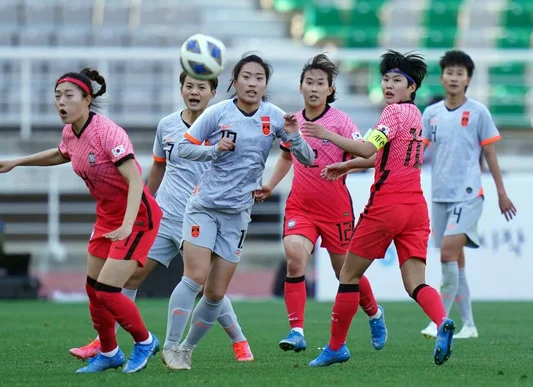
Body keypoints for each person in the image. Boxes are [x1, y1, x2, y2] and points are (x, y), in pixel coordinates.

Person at [0, 68, 162, 374]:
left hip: (137, 216)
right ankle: (109, 353)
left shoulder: (109, 133)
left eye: (68, 96)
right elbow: (63, 153)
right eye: (57, 96)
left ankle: (145, 341)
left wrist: (129, 224)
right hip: (107, 217)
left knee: (107, 290)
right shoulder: (70, 132)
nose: (60, 102)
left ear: (87, 99)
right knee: (93, 289)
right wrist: (17, 162)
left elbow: (134, 180)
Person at [69, 72, 253, 362]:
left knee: (206, 287)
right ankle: (105, 341)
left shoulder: (223, 126)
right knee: (128, 277)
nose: (194, 92)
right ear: (181, 89)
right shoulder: (167, 125)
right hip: (164, 215)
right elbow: (157, 169)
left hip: (199, 216)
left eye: (201, 87)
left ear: (213, 92)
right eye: (189, 86)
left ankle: (239, 340)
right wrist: (145, 206)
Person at [162, 53, 315, 370]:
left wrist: (295, 134)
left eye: (259, 78)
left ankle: (186, 349)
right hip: (204, 207)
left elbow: (309, 158)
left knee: (216, 294)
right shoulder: (217, 113)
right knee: (195, 277)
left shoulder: (274, 117)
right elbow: (183, 147)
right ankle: (170, 346)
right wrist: (213, 150)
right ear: (235, 81)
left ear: (265, 84)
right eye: (247, 76)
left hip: (238, 214)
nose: (253, 83)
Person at [304, 50, 455, 367]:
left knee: (348, 274)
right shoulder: (416, 115)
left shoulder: (393, 113)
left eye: (397, 80)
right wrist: (349, 167)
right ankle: (442, 322)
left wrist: (327, 133)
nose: (388, 85)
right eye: (385, 79)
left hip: (387, 205)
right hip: (416, 207)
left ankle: (336, 347)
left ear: (411, 87)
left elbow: (367, 146)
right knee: (416, 283)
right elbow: (381, 156)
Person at [255, 54, 386, 353]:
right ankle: (296, 330)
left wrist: (345, 166)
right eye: (309, 82)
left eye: (320, 83)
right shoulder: (293, 123)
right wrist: (270, 185)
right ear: (301, 87)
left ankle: (375, 314)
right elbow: (287, 157)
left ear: (330, 89)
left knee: (346, 273)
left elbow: (370, 156)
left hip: (335, 208)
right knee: (295, 259)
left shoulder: (340, 121)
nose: (314, 88)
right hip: (300, 206)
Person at [420, 50, 516, 339]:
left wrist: (501, 193)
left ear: (468, 80)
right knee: (456, 260)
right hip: (440, 195)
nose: (454, 77)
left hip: (469, 194)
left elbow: (490, 153)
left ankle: (440, 321)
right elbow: (418, 152)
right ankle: (470, 326)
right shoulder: (432, 113)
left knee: (447, 253)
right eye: (450, 72)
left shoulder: (478, 112)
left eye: (460, 73)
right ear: (442, 77)